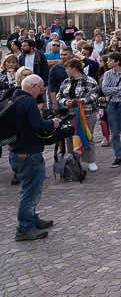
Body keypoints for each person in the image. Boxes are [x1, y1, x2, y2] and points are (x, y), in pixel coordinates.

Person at [9, 75, 60, 241]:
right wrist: (53, 123)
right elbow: (38, 125)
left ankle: (31, 218)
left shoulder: (14, 98)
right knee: (30, 191)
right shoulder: (29, 101)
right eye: (41, 87)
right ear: (33, 86)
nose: (42, 90)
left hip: (16, 152)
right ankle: (24, 228)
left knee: (29, 189)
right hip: (29, 153)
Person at [56, 58, 100, 172]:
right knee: (70, 138)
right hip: (69, 115)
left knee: (87, 136)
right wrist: (65, 101)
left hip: (86, 114)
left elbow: (94, 96)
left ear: (74, 68)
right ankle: (73, 160)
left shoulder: (90, 80)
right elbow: (59, 95)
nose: (66, 71)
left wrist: (79, 101)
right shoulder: (66, 81)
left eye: (67, 68)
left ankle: (90, 161)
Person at [100, 52, 121, 167]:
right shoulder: (107, 74)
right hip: (112, 104)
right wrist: (120, 88)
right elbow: (105, 89)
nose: (107, 62)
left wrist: (113, 90)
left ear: (117, 61)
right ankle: (118, 156)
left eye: (110, 60)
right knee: (114, 132)